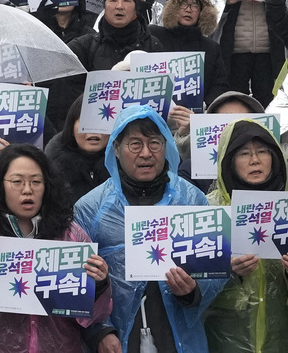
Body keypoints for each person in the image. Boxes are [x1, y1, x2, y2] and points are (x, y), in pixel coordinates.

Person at [74, 106, 227, 353]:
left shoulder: (192, 200)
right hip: (118, 336)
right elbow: (79, 278)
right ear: (115, 147)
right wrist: (99, 330)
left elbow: (214, 270)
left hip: (178, 332)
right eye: (135, 144)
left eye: (155, 143)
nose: (146, 153)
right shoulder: (90, 208)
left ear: (166, 146)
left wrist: (192, 291)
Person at [0, 143, 111, 351]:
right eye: (17, 182)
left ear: (47, 185)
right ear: (0, 184)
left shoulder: (71, 235)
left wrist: (99, 285)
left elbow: (93, 315)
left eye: (36, 182)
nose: (27, 190)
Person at [203, 120, 288, 353]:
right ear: (229, 160)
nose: (255, 160)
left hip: (281, 339)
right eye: (243, 153)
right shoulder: (209, 210)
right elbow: (193, 281)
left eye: (262, 151)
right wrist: (227, 271)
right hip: (224, 339)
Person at [47, 0, 160, 132]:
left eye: (126, 1)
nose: (119, 6)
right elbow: (55, 73)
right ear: (104, 7)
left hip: (140, 130)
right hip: (97, 129)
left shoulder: (153, 45)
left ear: (135, 8)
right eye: (113, 0)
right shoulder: (85, 45)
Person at [148, 0, 231, 110]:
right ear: (173, 8)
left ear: (203, 13)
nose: (188, 10)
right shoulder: (154, 35)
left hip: (195, 115)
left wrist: (206, 106)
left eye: (195, 6)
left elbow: (219, 84)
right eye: (183, 4)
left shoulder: (211, 47)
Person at [218, 0, 277, 104]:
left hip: (266, 52)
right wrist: (226, 2)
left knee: (267, 99)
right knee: (237, 100)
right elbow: (212, 10)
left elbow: (287, 10)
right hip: (236, 52)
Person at [44, 95, 111, 207]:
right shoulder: (50, 169)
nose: (93, 130)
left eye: (100, 122)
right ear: (71, 127)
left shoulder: (127, 166)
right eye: (86, 122)